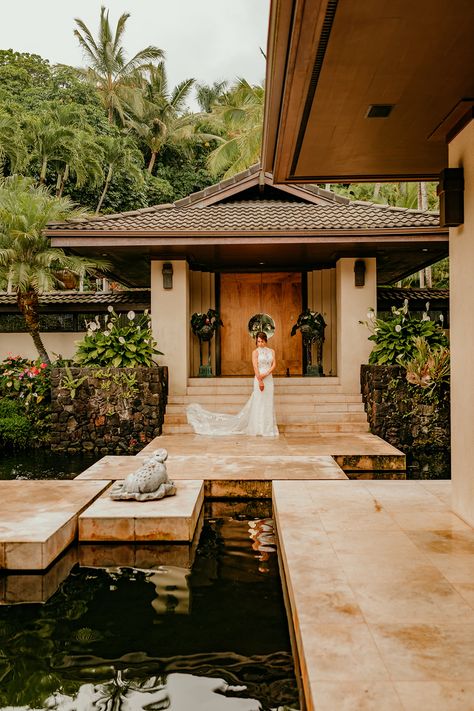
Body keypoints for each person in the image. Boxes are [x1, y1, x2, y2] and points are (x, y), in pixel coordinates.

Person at [186, 331, 279, 437]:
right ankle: (259, 428)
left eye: (262, 341)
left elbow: (274, 364)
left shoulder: (271, 351)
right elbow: (255, 367)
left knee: (268, 402)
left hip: (269, 379)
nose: (260, 344)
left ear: (266, 341)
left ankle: (268, 428)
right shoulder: (255, 352)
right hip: (259, 379)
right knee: (259, 402)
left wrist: (267, 374)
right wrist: (260, 380)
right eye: (258, 342)